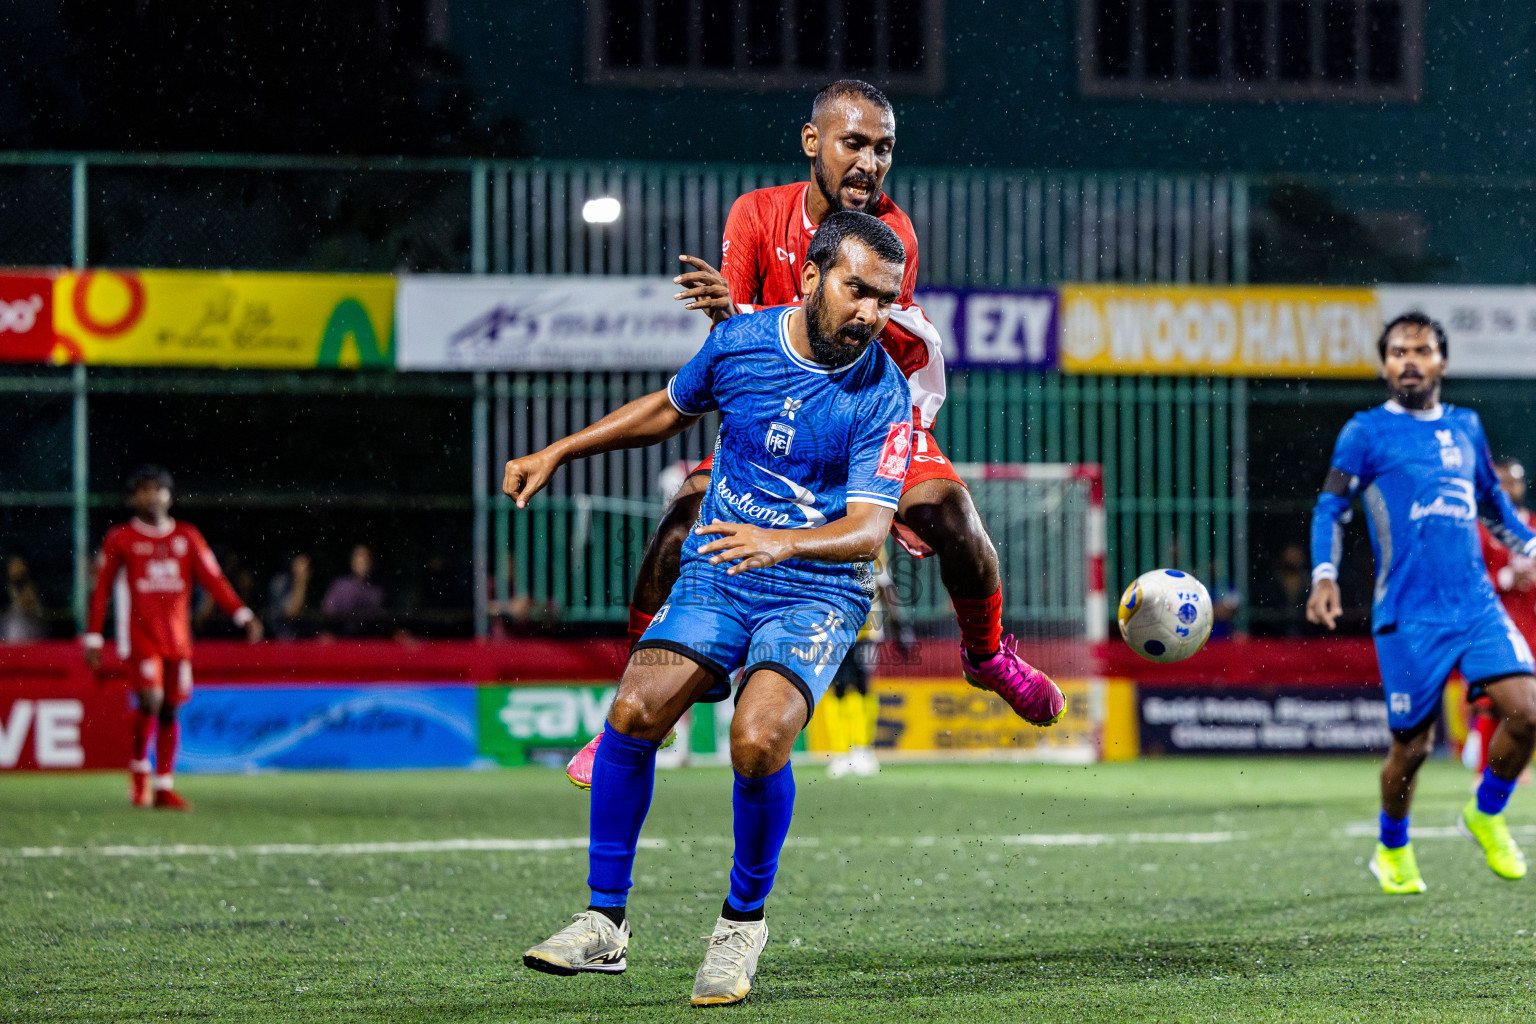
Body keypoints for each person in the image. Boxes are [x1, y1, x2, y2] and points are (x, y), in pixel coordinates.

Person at [566, 79, 1062, 787]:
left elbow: (859, 343)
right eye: (853, 143)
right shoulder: (756, 215)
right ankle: (638, 704)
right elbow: (743, 344)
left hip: (862, 407)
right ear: (812, 143)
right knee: (680, 526)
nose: (869, 161)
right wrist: (731, 314)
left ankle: (986, 658)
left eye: (883, 148)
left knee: (956, 515)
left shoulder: (893, 231)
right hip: (776, 417)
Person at [513, 212, 917, 1005]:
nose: (871, 311)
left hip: (816, 586)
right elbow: (670, 408)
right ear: (811, 277)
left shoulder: (885, 394)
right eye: (856, 289)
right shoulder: (740, 343)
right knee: (632, 710)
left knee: (758, 739)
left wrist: (784, 543)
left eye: (885, 297)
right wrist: (558, 450)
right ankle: (604, 926)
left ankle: (741, 925)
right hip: (721, 570)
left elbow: (870, 531)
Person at [1307, 313, 1536, 894]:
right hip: (1408, 615)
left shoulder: (1467, 426)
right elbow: (1330, 508)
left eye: (1421, 350)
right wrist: (1324, 574)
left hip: (1476, 606)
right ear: (1385, 365)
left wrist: (1530, 546)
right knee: (1412, 748)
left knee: (1528, 712)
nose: (1408, 360)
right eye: (1397, 352)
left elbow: (1494, 507)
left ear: (1442, 362)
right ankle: (1392, 846)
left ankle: (1485, 813)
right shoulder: (1364, 432)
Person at [82, 465, 262, 809]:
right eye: (143, 489)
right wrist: (93, 637)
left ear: (169, 495)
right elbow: (102, 589)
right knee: (150, 699)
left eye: (157, 488)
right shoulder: (121, 538)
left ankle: (163, 786)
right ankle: (139, 778)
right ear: (133, 497)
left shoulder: (187, 536)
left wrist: (242, 613)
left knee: (169, 708)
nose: (151, 495)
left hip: (177, 639)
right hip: (139, 636)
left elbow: (213, 578)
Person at [1465, 458, 1536, 772]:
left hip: (1532, 627)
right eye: (1502, 481)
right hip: (1494, 626)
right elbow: (1468, 580)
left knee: (1528, 707)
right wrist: (1506, 578)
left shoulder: (1533, 527)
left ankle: (1516, 770)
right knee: (1492, 704)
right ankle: (1484, 771)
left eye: (1514, 481)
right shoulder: (1479, 529)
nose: (1509, 487)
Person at [824, 548, 906, 778]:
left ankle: (862, 749)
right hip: (835, 628)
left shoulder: (874, 544)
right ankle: (841, 752)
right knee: (837, 687)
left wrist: (899, 624)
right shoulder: (830, 540)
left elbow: (885, 583)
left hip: (868, 629)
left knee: (862, 684)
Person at [321, 544, 386, 635]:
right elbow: (328, 614)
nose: (363, 561)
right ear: (352, 561)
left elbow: (385, 619)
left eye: (366, 557)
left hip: (371, 640)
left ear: (372, 561)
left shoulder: (379, 590)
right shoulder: (339, 586)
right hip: (343, 638)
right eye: (359, 556)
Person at [266, 552, 312, 640]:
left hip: (306, 638)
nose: (305, 568)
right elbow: (291, 613)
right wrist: (301, 582)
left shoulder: (311, 583)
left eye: (307, 566)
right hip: (282, 638)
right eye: (301, 564)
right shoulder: (280, 582)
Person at [2, 555, 48, 642]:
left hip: (32, 643)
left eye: (21, 572)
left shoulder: (32, 591)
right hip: (8, 644)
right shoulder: (6, 593)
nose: (17, 575)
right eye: (13, 565)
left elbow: (31, 606)